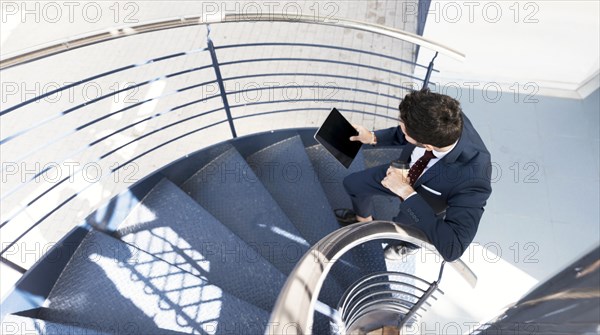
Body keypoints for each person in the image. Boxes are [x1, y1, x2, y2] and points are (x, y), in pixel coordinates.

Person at [335, 89, 492, 262]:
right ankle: (363, 221)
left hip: (424, 202)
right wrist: (372, 137)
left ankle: (407, 246)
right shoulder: (446, 117)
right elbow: (407, 133)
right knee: (353, 184)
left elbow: (453, 248)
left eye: (404, 130)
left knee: (408, 229)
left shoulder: (474, 178)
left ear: (428, 146)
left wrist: (406, 192)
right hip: (403, 169)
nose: (401, 129)